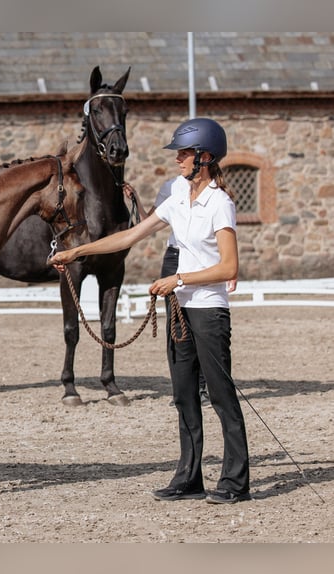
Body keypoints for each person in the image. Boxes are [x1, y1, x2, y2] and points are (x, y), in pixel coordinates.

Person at [49, 117, 250, 504]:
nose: (177, 159)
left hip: (207, 310)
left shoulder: (219, 204)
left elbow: (229, 268)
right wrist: (77, 251)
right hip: (180, 311)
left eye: (185, 153)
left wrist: (178, 280)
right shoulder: (177, 197)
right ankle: (189, 477)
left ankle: (235, 482)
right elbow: (129, 235)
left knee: (221, 395)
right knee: (183, 394)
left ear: (204, 157)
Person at [124, 179, 238, 408]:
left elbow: (223, 234)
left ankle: (205, 387)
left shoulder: (216, 194)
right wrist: (135, 198)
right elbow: (148, 223)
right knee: (177, 326)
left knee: (202, 327)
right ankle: (185, 388)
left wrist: (229, 269)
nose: (179, 158)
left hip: (202, 256)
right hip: (174, 256)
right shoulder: (170, 187)